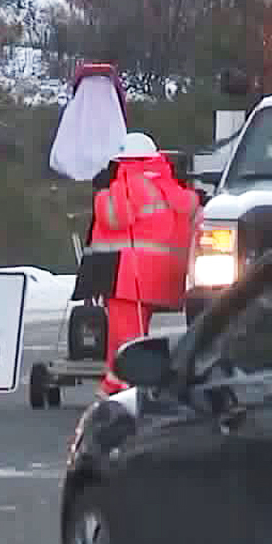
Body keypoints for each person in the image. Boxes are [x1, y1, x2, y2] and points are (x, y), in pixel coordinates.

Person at [88, 131, 201, 395]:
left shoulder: (127, 184)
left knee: (126, 341)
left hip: (126, 277)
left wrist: (103, 193)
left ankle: (116, 391)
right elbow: (193, 211)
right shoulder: (171, 187)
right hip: (164, 277)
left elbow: (114, 217)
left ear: (123, 161)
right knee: (137, 336)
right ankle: (124, 387)